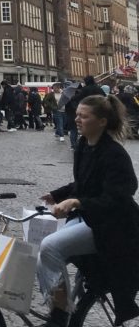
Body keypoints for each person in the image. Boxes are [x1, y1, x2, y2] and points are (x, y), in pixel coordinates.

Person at [37, 95, 139, 326]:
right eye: (77, 115)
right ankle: (62, 304)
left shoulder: (114, 154)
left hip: (114, 227)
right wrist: (57, 194)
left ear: (101, 121)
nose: (77, 120)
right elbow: (84, 185)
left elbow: (118, 196)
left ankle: (59, 316)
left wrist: (76, 203)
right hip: (92, 219)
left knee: (50, 247)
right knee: (42, 246)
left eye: (84, 116)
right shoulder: (84, 146)